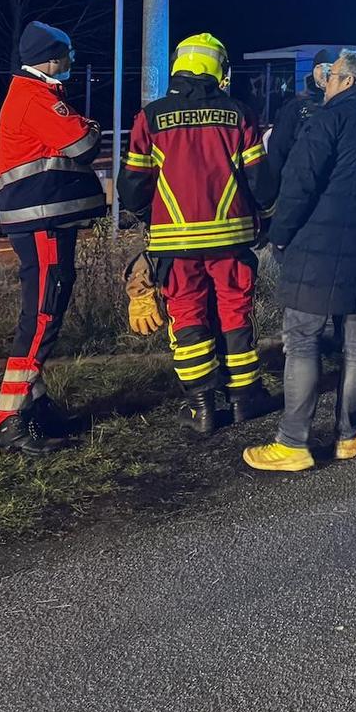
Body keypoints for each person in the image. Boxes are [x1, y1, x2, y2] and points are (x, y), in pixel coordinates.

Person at [245, 48, 356, 472]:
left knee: (303, 341)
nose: (326, 83)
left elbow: (299, 184)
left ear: (349, 82)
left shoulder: (327, 121)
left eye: (332, 76)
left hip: (314, 252)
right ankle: (348, 434)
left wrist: (278, 236)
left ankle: (293, 444)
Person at [118, 33, 275, 434]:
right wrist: (267, 217)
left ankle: (202, 406)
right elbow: (260, 181)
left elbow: (133, 184)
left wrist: (144, 216)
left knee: (187, 316)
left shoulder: (151, 117)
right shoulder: (240, 114)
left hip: (175, 242)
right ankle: (245, 398)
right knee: (235, 312)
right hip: (231, 238)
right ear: (218, 70)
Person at [0, 21, 108, 455]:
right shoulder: (36, 98)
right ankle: (9, 419)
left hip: (44, 221)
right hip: (41, 223)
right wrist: (89, 127)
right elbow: (82, 144)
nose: (72, 61)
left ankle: (34, 405)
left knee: (45, 312)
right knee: (41, 317)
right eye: (68, 54)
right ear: (52, 57)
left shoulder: (34, 95)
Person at [265, 47, 336, 185]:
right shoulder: (296, 106)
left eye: (329, 67)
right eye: (320, 67)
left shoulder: (344, 106)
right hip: (300, 182)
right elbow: (278, 148)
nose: (324, 73)